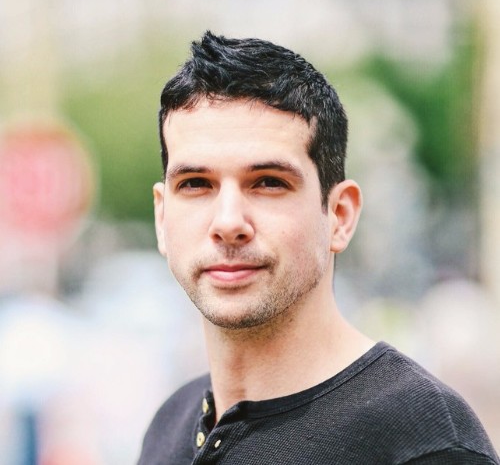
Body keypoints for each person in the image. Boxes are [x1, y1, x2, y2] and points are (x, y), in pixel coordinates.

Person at [138, 31, 499, 464]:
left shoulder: (422, 443)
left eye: (268, 183)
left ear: (340, 215)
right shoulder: (170, 425)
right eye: (196, 183)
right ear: (162, 216)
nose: (228, 223)